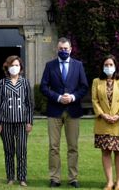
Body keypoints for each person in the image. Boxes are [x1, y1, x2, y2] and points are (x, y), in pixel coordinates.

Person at [40, 37, 89, 188]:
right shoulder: (50, 66)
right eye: (61, 49)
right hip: (54, 110)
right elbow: (44, 86)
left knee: (73, 146)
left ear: (71, 49)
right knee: (54, 146)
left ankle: (73, 178)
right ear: (57, 49)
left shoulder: (78, 65)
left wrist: (73, 97)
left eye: (66, 49)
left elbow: (84, 86)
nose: (63, 51)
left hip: (73, 110)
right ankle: (55, 178)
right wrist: (59, 97)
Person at [0, 55, 33, 186]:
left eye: (17, 65)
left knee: (21, 150)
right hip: (6, 121)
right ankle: (10, 177)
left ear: (20, 67)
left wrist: (29, 122)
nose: (14, 67)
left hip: (22, 121)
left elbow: (29, 103)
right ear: (7, 67)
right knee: (9, 150)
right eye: (12, 65)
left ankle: (22, 178)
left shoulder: (25, 82)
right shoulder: (2, 83)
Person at [91, 56, 119, 190]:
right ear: (103, 66)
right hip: (103, 122)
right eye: (106, 64)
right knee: (106, 152)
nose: (108, 67)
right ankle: (109, 182)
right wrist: (102, 114)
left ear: (115, 65)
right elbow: (94, 100)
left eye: (111, 64)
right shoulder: (96, 82)